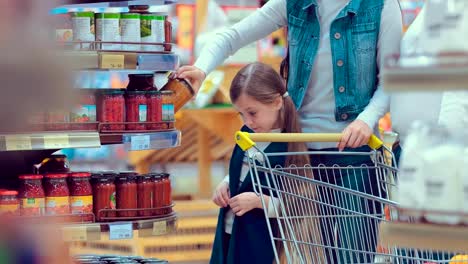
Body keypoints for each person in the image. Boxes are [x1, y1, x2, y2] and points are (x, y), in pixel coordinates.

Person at [176, 0, 402, 262]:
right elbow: (233, 35)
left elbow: (391, 80)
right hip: (297, 154)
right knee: (312, 256)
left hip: (354, 156)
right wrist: (202, 68)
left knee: (354, 253)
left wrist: (366, 120)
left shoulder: (381, 7)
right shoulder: (293, 3)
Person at [210, 62, 312, 264]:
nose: (247, 121)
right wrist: (225, 183)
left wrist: (260, 201)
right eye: (241, 114)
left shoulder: (289, 145)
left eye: (252, 112)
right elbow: (241, 171)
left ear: (276, 102)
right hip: (230, 234)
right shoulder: (248, 133)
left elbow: (299, 206)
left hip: (262, 244)